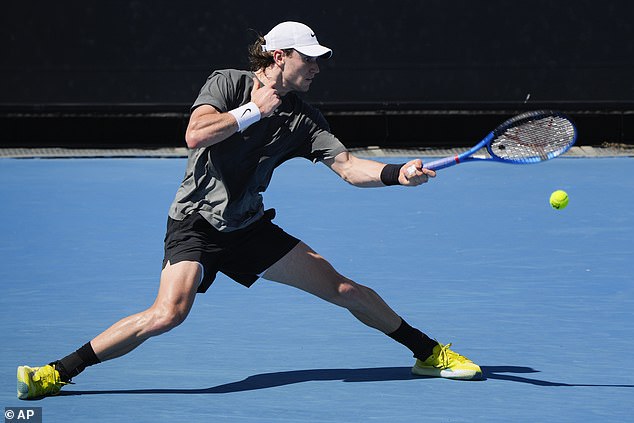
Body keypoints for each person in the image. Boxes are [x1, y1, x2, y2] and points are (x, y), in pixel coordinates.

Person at [17, 21, 481, 399]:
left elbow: (347, 166)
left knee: (344, 288)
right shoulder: (228, 83)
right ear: (279, 57)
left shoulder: (304, 117)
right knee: (168, 313)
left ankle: (428, 352)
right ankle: (56, 372)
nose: (318, 67)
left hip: (248, 226)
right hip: (195, 222)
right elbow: (196, 135)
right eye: (309, 58)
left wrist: (397, 174)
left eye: (320, 59)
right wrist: (251, 112)